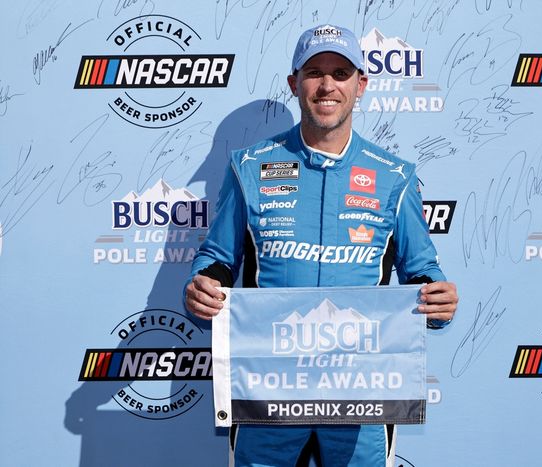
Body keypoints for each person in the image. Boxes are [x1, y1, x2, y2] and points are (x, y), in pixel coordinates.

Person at [185, 24, 458, 467]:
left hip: (361, 395)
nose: (327, 85)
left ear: (360, 85)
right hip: (267, 391)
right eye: (314, 72)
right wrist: (203, 285)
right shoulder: (249, 167)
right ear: (294, 83)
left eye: (341, 73)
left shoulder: (395, 176)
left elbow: (422, 270)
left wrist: (439, 298)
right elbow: (217, 258)